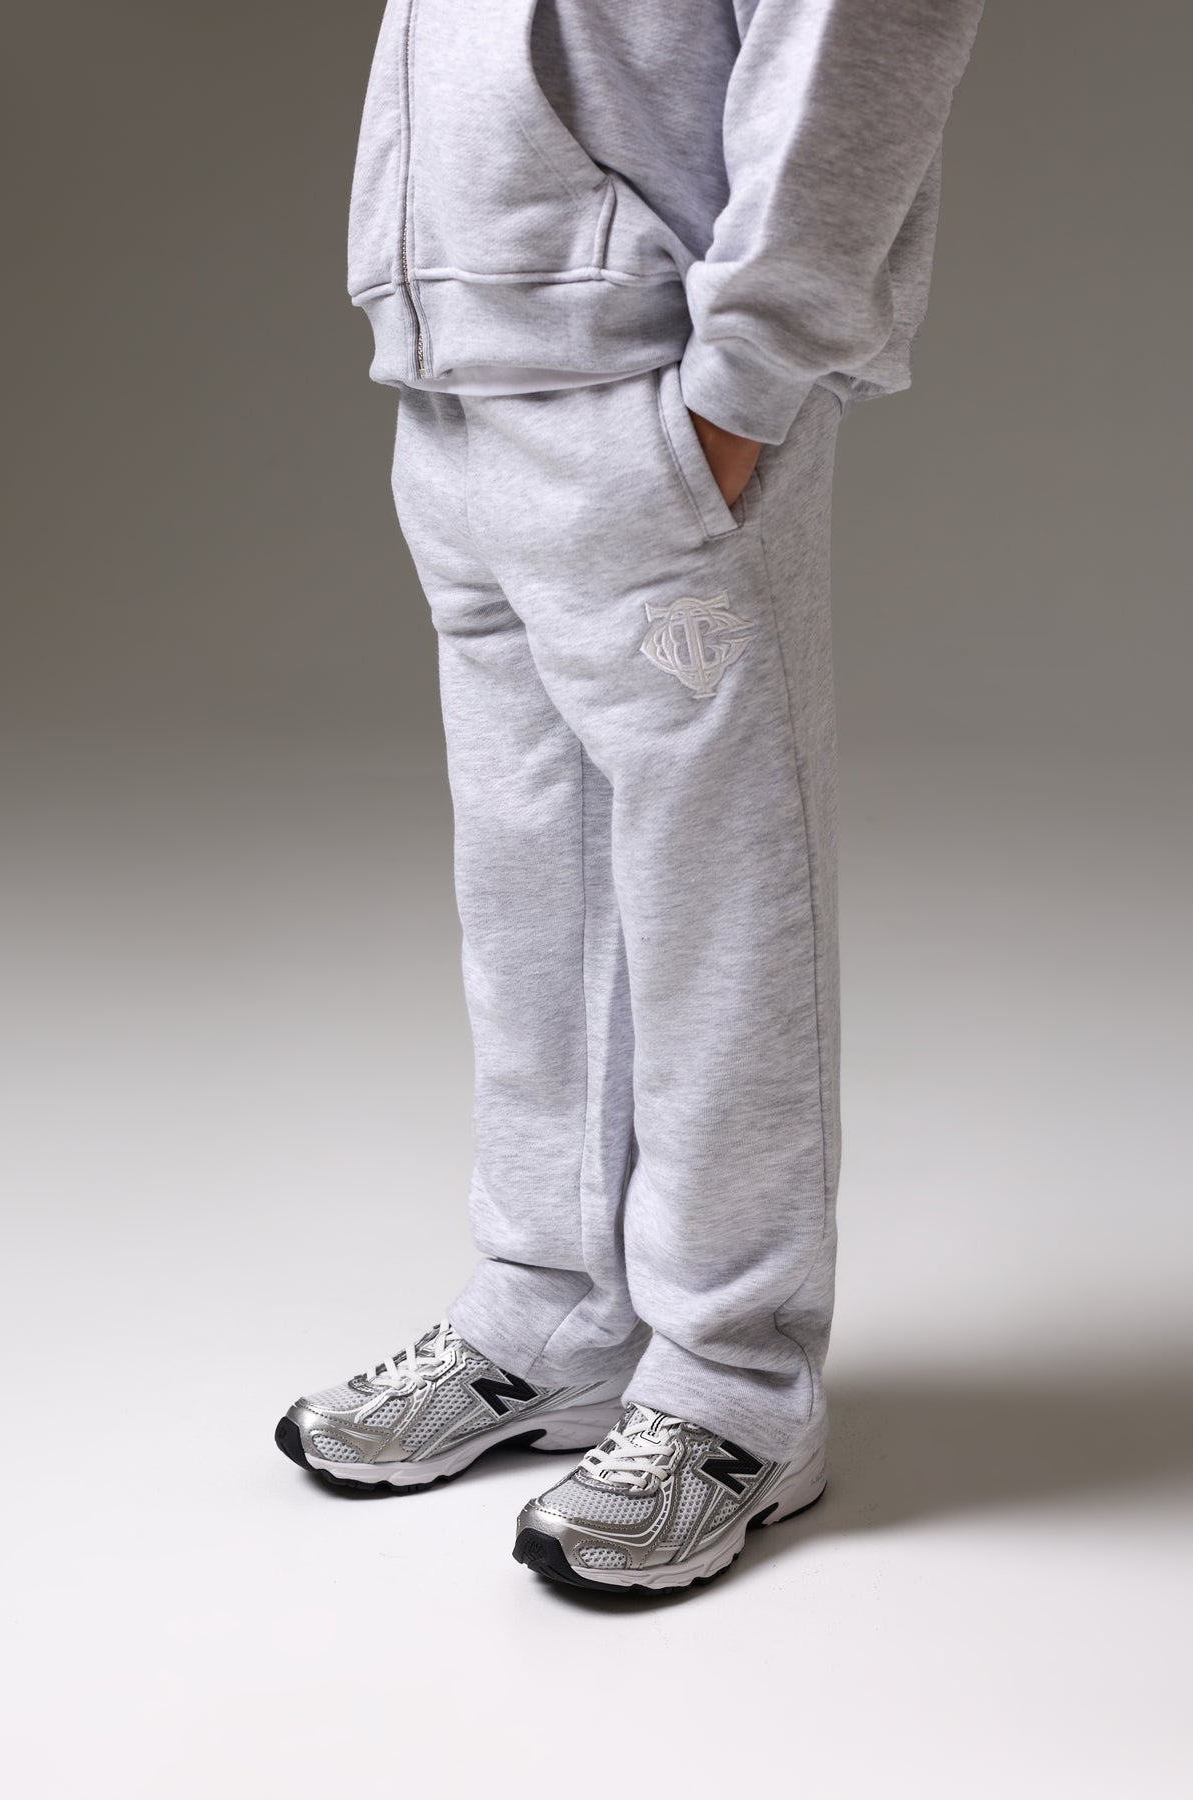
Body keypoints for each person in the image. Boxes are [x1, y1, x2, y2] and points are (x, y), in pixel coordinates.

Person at [276, 0, 984, 1595]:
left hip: (650, 399)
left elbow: (865, 37)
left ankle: (739, 1388)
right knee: (530, 897)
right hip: (458, 393)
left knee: (724, 910)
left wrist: (743, 386)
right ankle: (553, 1314)